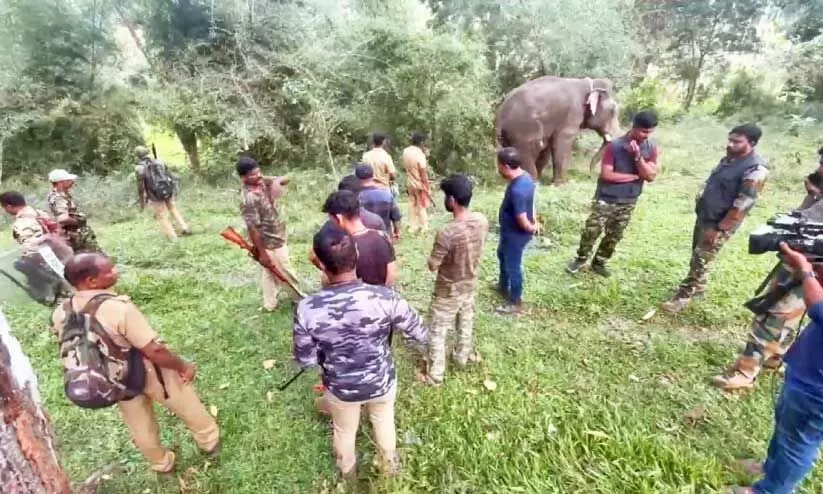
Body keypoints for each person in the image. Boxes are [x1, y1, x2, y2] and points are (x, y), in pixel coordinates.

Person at [51, 253, 219, 473]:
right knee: (185, 403)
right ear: (91, 281)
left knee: (139, 425)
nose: (115, 272)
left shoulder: (61, 311)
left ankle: (161, 463)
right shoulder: (117, 308)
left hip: (113, 378)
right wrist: (182, 365)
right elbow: (155, 350)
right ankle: (210, 442)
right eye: (109, 271)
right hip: (147, 369)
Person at [293, 227, 427, 479]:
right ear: (356, 253)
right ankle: (390, 471)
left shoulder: (307, 308)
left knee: (344, 432)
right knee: (384, 421)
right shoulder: (385, 297)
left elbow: (306, 360)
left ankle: (349, 477)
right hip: (381, 381)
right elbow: (420, 332)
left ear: (320, 264)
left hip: (340, 387)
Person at [712, 158, 823, 391]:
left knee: (772, 315)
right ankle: (775, 358)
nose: (819, 168)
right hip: (808, 266)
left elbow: (802, 225)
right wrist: (814, 195)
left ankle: (745, 373)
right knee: (792, 315)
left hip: (807, 266)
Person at [729, 243, 823, 494]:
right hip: (808, 371)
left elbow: (819, 309)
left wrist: (805, 271)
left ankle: (770, 491)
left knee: (798, 442)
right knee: (787, 425)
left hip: (817, 387)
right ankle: (771, 468)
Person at [662, 125, 769, 313]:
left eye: (737, 141)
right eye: (730, 139)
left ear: (752, 143)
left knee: (701, 257)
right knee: (698, 252)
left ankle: (683, 296)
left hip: (719, 222)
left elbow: (743, 204)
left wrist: (720, 228)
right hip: (706, 216)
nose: (730, 144)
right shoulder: (730, 159)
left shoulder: (755, 169)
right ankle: (699, 287)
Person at [567, 111, 660, 278]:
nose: (647, 136)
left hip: (629, 199)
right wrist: (633, 176)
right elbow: (607, 175)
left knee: (615, 234)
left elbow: (651, 176)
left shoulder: (651, 148)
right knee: (592, 230)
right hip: (606, 197)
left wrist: (638, 158)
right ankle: (580, 259)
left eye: (650, 132)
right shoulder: (614, 146)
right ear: (634, 127)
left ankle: (599, 262)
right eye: (644, 131)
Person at [421, 174, 488, 385]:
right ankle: (461, 357)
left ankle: (436, 375)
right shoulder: (482, 221)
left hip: (448, 289)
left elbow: (433, 265)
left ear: (451, 200)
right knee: (465, 322)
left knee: (438, 331)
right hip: (470, 283)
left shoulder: (447, 233)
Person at [236, 157, 299, 311]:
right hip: (268, 241)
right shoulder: (248, 199)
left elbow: (287, 178)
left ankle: (269, 304)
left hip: (277, 233)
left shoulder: (262, 181)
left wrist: (276, 182)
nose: (257, 176)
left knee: (269, 272)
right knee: (285, 269)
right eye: (252, 174)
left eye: (258, 172)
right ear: (243, 178)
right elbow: (253, 229)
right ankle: (299, 298)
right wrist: (262, 253)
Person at [0, 191, 72, 303]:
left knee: (63, 302)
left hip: (48, 265)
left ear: (9, 206)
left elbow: (32, 250)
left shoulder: (22, 223)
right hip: (61, 257)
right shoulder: (39, 213)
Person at [314, 190, 397, 286]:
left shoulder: (342, 248)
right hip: (380, 297)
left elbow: (330, 282)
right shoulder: (382, 237)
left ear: (339, 218)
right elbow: (391, 275)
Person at [495, 147, 537, 315]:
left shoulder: (517, 189)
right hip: (509, 233)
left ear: (505, 166)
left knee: (513, 266)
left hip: (515, 235)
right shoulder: (526, 177)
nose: (497, 168)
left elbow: (521, 219)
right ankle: (502, 286)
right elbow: (531, 203)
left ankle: (515, 302)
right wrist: (534, 217)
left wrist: (531, 227)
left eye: (498, 165)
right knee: (502, 255)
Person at [135, 145, 191, 240]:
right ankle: (184, 227)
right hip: (167, 190)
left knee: (161, 216)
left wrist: (142, 202)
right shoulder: (159, 161)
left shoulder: (139, 168)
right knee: (172, 208)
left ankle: (173, 238)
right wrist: (173, 189)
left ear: (137, 156)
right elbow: (169, 176)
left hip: (154, 194)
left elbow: (141, 188)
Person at [46, 169, 100, 253]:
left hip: (75, 235)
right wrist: (79, 221)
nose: (71, 181)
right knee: (96, 258)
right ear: (60, 182)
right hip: (74, 235)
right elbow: (62, 219)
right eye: (68, 180)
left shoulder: (61, 195)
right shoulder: (58, 197)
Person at [356, 164, 402, 239]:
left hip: (363, 239)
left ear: (357, 178)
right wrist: (397, 232)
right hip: (385, 237)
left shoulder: (356, 197)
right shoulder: (387, 195)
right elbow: (396, 217)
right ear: (373, 176)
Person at [402, 132, 432, 233]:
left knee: (411, 204)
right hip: (419, 184)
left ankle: (412, 226)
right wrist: (426, 186)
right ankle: (424, 226)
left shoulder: (406, 151)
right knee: (421, 205)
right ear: (422, 142)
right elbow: (423, 172)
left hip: (409, 182)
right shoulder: (419, 154)